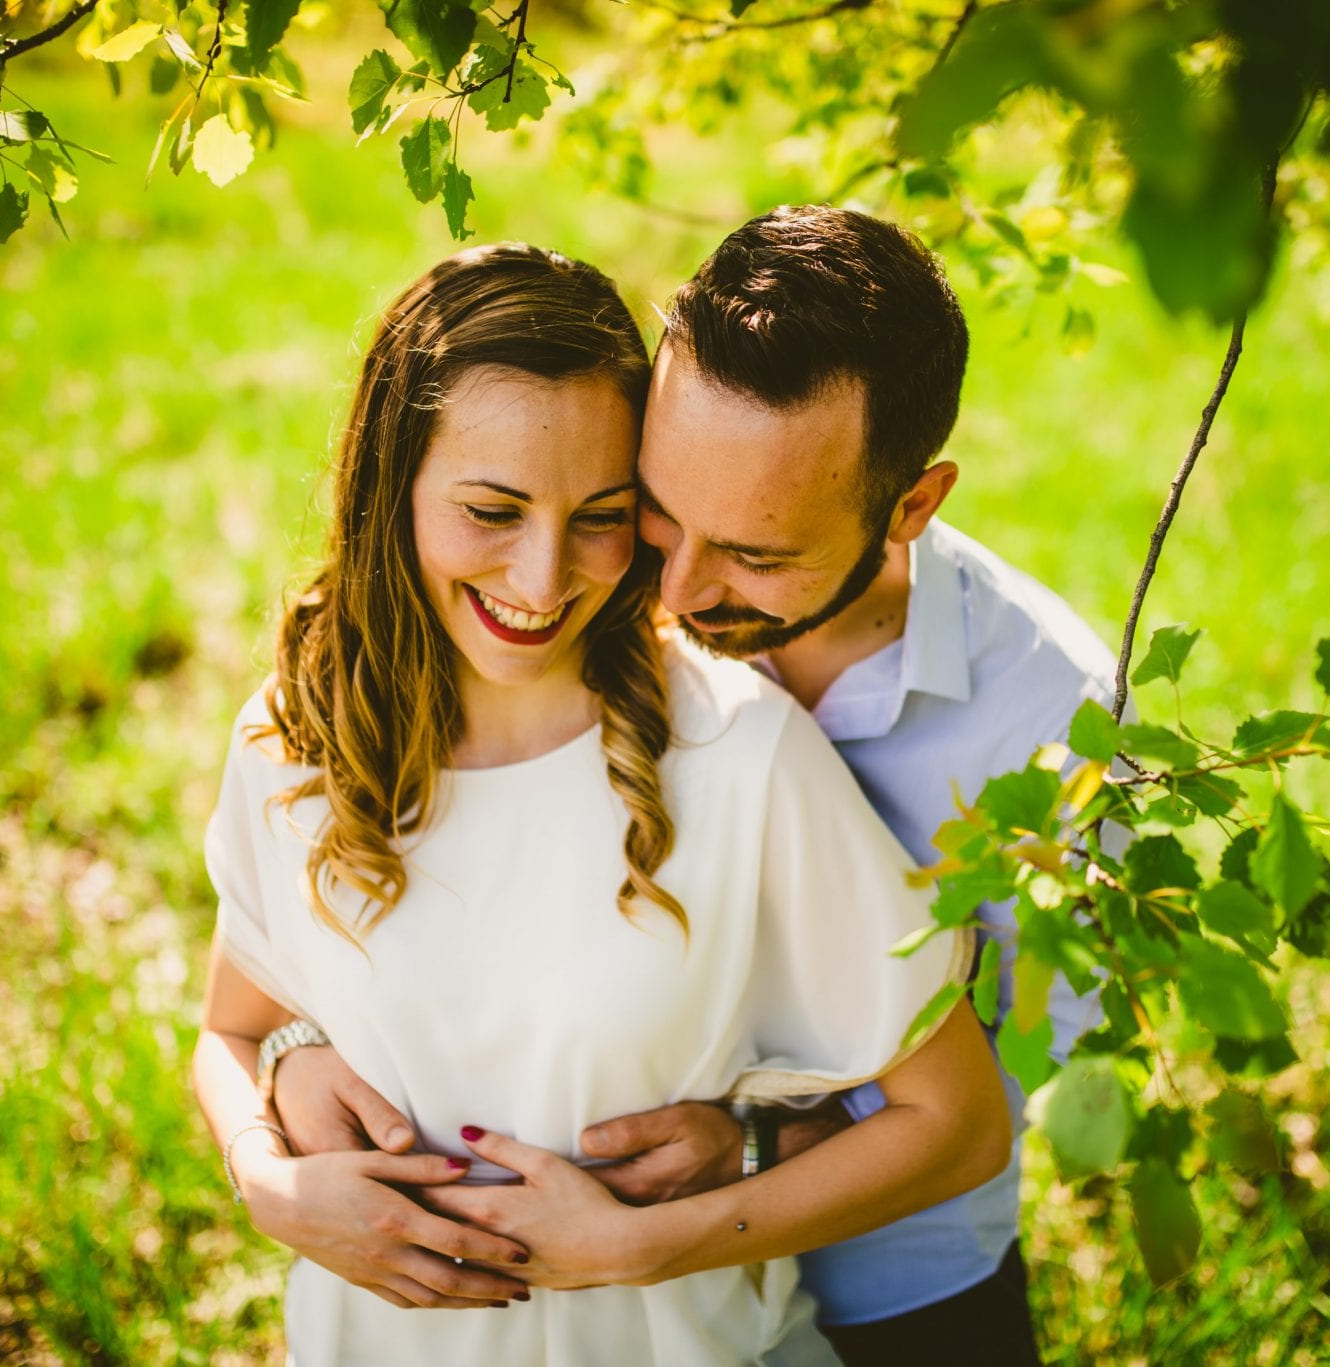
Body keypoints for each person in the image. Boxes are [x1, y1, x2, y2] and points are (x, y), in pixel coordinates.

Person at [269, 209, 1125, 1365]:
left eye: (756, 555)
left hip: (890, 1262)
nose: (673, 585)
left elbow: (1032, 1059)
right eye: (657, 507)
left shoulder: (1052, 721)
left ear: (909, 508)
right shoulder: (580, 599)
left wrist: (762, 1140)